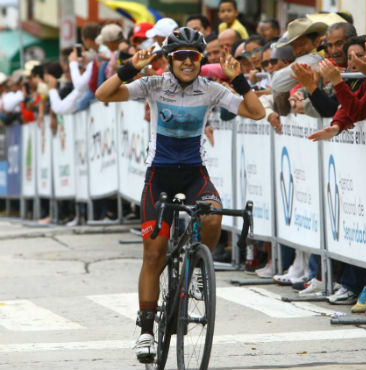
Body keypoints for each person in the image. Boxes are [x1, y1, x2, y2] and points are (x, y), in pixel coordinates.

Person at [96, 27, 265, 364]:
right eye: (181, 56)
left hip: (193, 173)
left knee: (214, 215)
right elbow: (104, 94)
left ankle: (199, 272)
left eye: (195, 56)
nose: (188, 62)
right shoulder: (154, 85)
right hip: (158, 176)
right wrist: (131, 66)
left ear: (202, 60)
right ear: (171, 60)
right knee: (154, 253)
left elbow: (256, 112)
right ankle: (145, 330)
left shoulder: (212, 89)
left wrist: (240, 80)